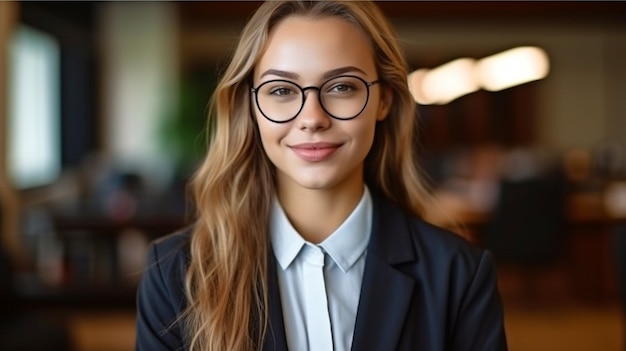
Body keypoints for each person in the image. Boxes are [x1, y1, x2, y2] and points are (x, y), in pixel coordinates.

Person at [135, 1, 508, 350]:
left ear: (385, 100)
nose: (312, 118)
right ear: (250, 106)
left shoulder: (459, 274)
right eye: (281, 90)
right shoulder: (174, 275)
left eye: (342, 87)